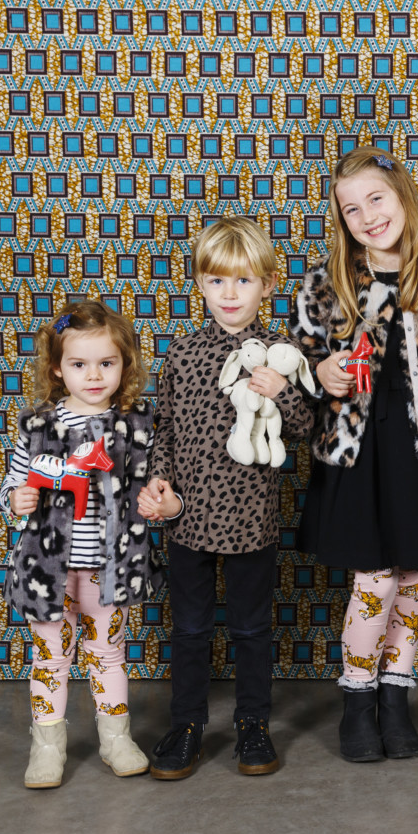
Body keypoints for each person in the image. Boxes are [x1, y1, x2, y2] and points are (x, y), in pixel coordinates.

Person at [292, 147, 418, 763]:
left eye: (376, 198)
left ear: (403, 197)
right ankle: (358, 697)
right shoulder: (326, 285)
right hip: (358, 454)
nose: (368, 216)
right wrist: (321, 373)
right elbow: (297, 366)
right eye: (352, 209)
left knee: (411, 576)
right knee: (373, 578)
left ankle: (396, 697)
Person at [136, 216, 313, 779]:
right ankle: (186, 724)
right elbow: (165, 431)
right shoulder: (183, 354)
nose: (229, 294)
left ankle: (252, 723)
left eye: (242, 281)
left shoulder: (280, 354)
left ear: (267, 284)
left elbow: (307, 429)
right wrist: (160, 481)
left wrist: (283, 394)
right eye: (216, 281)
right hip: (187, 518)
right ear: (200, 284)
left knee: (251, 628)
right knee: (189, 628)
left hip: (251, 519)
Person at [0, 299, 162, 788]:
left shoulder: (138, 424)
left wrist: (160, 500)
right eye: (78, 364)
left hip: (109, 567)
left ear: (124, 365)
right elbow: (11, 486)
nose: (94, 375)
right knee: (51, 657)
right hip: (46, 569)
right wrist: (16, 498)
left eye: (106, 363)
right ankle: (47, 746)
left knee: (108, 653)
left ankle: (116, 738)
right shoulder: (37, 425)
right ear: (57, 367)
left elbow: (155, 483)